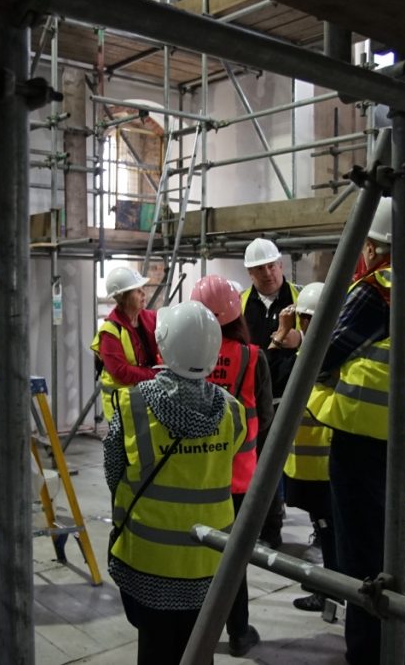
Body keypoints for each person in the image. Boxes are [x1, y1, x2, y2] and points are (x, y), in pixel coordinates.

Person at [307, 198, 405, 663]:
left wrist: (301, 350)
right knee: (390, 547)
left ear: (372, 247)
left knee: (360, 563)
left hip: (362, 443)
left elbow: (322, 356)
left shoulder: (380, 291)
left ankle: (371, 655)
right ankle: (398, 648)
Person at [104, 300, 248, 665]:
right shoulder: (232, 411)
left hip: (149, 561)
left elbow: (113, 473)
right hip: (210, 562)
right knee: (199, 650)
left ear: (163, 344)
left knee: (154, 650)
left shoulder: (133, 406)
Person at [190, 275, 274, 656]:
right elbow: (268, 418)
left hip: (195, 471)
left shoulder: (185, 354)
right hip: (239, 475)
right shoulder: (253, 357)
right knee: (233, 556)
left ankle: (193, 629)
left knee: (197, 552)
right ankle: (239, 632)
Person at [277, 282, 338, 611]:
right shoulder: (326, 350)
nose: (301, 324)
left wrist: (279, 335)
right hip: (315, 460)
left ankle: (330, 591)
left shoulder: (318, 354)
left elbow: (279, 379)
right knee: (327, 528)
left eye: (304, 319)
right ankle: (331, 586)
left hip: (319, 463)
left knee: (329, 531)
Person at [240, 237, 301, 549]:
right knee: (261, 466)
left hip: (297, 397)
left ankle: (320, 527)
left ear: (281, 265)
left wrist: (300, 340)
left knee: (302, 468)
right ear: (250, 273)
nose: (268, 272)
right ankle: (269, 530)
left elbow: (331, 338)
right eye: (259, 268)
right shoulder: (238, 304)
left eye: (272, 265)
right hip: (253, 399)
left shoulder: (303, 299)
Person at [90, 266, 160, 422]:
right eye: (137, 290)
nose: (143, 293)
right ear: (123, 297)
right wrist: (156, 375)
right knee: (130, 446)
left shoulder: (150, 318)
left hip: (145, 399)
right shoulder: (110, 331)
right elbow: (121, 372)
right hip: (121, 407)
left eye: (142, 288)